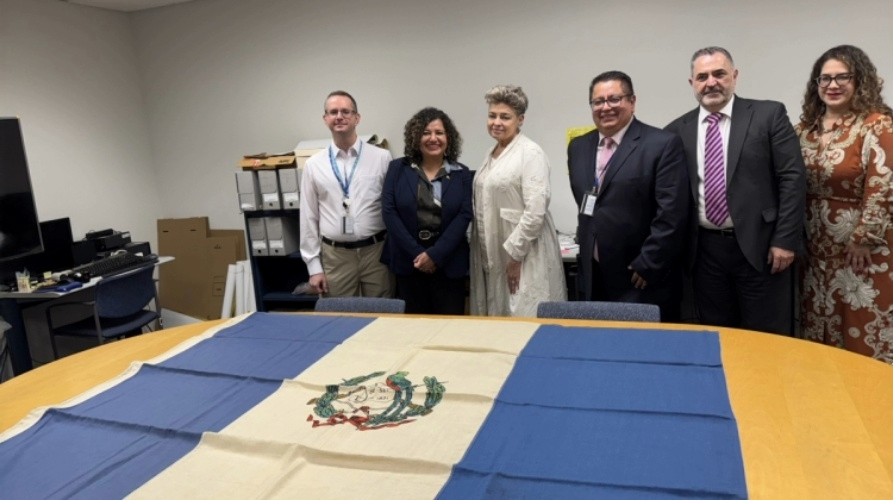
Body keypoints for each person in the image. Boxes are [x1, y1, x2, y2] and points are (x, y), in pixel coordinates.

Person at [665, 47, 806, 335]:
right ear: (692, 83)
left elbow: (792, 177)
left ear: (735, 76)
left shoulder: (769, 115)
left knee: (768, 336)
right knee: (719, 335)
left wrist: (785, 239)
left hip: (764, 247)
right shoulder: (676, 130)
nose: (711, 82)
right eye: (702, 77)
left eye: (719, 74)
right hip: (705, 253)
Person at [796, 45, 893, 362]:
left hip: (862, 253)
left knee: (860, 329)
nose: (832, 85)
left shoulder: (876, 125)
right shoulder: (803, 131)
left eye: (842, 77)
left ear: (860, 80)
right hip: (815, 252)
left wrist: (864, 238)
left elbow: (883, 184)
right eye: (824, 79)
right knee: (816, 329)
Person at [568, 71, 690, 322]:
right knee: (598, 347)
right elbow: (586, 200)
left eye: (614, 99)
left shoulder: (662, 144)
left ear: (632, 101)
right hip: (594, 273)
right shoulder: (578, 146)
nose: (606, 107)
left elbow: (672, 212)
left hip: (640, 274)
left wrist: (649, 262)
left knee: (643, 351)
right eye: (598, 101)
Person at [470, 85, 566, 317]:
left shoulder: (530, 153)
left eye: (505, 117)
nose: (497, 122)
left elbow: (535, 211)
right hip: (492, 252)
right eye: (492, 116)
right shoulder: (492, 153)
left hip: (524, 254)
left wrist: (514, 256)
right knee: (498, 316)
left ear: (520, 120)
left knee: (524, 314)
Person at [299, 90, 393, 297]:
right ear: (325, 119)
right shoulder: (314, 165)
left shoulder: (382, 158)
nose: (339, 116)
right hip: (335, 256)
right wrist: (314, 268)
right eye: (333, 112)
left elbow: (392, 208)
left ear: (356, 118)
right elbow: (308, 217)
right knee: (340, 317)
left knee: (382, 315)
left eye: (345, 111)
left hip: (376, 252)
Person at [380, 107, 473, 314]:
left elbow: (465, 214)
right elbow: (389, 212)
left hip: (449, 263)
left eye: (439, 132)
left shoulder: (462, 173)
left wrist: (436, 255)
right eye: (426, 132)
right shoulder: (397, 169)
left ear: (448, 137)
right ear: (415, 137)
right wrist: (419, 254)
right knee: (413, 331)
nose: (433, 138)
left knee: (449, 329)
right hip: (408, 261)